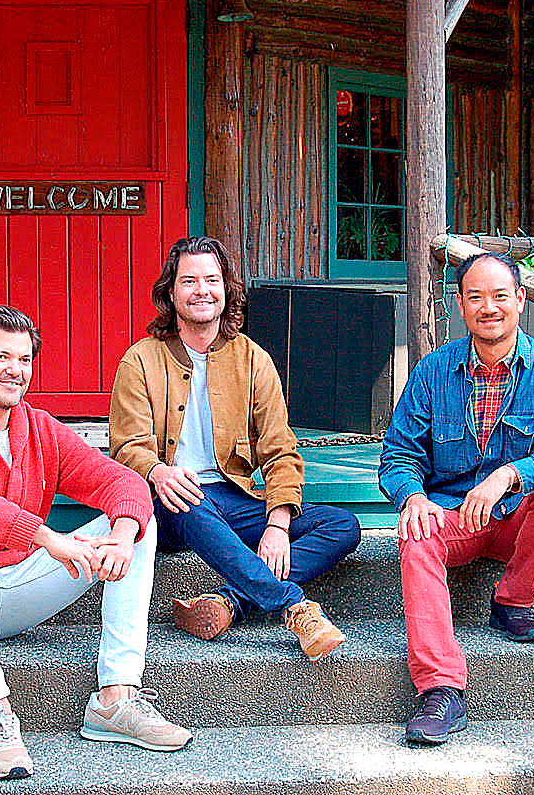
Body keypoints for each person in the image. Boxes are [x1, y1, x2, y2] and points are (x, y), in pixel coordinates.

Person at [0, 305, 191, 781]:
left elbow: (121, 481)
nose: (14, 371)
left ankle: (116, 698)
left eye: (24, 360)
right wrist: (46, 537)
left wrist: (124, 534)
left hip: (13, 591)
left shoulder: (40, 429)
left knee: (135, 521)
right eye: (0, 356)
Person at [378, 252, 534, 746]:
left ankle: (514, 597)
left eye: (500, 295)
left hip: (517, 519)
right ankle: (441, 689)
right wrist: (412, 496)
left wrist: (509, 474)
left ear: (521, 300)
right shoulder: (433, 372)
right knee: (415, 534)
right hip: (454, 518)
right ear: (460, 305)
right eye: (476, 297)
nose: (489, 306)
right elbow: (397, 453)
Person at [109, 236, 361, 661]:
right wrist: (158, 472)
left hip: (231, 496)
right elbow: (127, 444)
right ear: (171, 292)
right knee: (187, 499)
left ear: (227, 289)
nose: (201, 290)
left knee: (342, 526)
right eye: (189, 281)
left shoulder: (252, 359)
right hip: (167, 501)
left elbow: (280, 450)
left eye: (212, 279)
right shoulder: (141, 360)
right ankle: (294, 607)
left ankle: (229, 601)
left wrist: (278, 523)